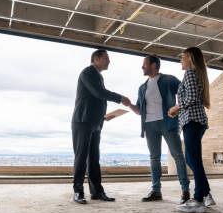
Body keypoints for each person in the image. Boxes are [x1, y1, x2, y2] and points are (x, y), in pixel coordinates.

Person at [71, 49, 131, 204]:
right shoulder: (88, 73)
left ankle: (97, 192)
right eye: (106, 58)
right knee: (81, 158)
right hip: (83, 122)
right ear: (96, 59)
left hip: (95, 123)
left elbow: (95, 100)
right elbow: (98, 93)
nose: (109, 61)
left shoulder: (98, 75)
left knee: (94, 159)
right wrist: (120, 98)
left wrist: (104, 117)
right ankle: (78, 192)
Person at [129, 55, 190, 204]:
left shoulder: (169, 80)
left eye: (144, 64)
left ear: (154, 65)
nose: (142, 67)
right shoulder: (142, 87)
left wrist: (178, 110)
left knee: (178, 156)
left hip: (168, 123)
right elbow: (139, 110)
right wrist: (128, 104)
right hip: (149, 125)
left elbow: (185, 94)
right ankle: (156, 191)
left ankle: (185, 191)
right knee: (154, 158)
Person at [168, 47, 216, 213]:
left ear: (190, 59)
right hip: (196, 120)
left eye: (183, 57)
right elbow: (193, 98)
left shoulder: (189, 73)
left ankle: (198, 199)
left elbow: (192, 97)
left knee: (193, 160)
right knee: (192, 159)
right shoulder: (196, 74)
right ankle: (206, 193)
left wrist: (176, 107)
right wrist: (179, 110)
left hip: (192, 121)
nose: (180, 60)